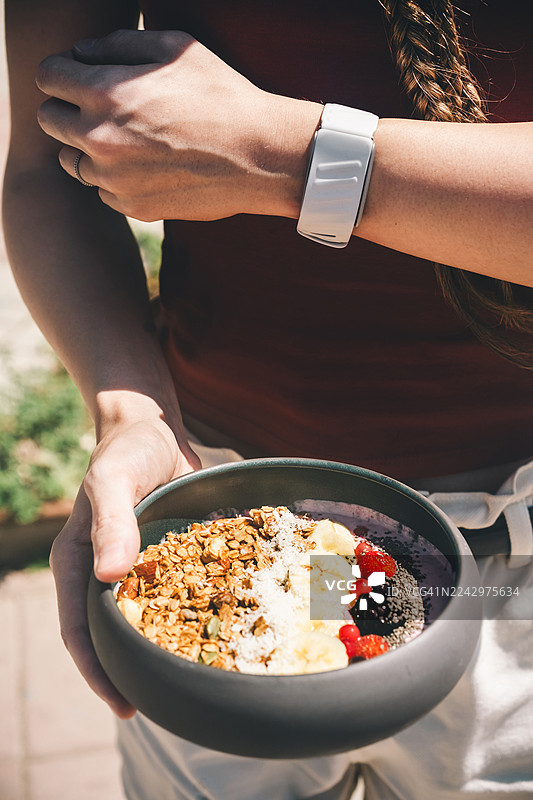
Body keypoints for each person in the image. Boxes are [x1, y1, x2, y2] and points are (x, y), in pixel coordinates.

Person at [3, 0, 533, 797]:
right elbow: (47, 170)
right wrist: (133, 415)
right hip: (217, 512)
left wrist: (279, 154)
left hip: (511, 557)